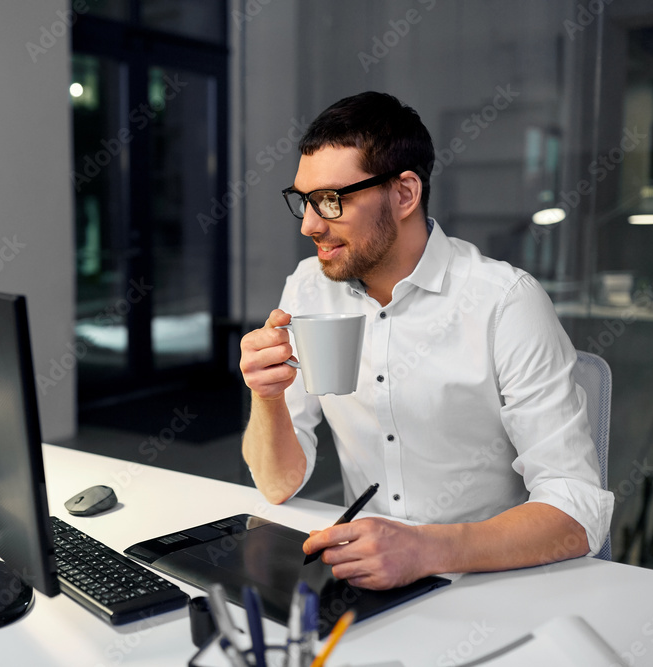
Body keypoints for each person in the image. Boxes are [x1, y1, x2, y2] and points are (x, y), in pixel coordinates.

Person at [239, 92, 614, 591]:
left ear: (404, 194)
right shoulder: (310, 287)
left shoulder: (504, 301)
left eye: (331, 200)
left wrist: (425, 549)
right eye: (304, 201)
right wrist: (266, 399)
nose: (309, 224)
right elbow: (278, 484)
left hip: (490, 582)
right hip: (366, 577)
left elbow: (578, 508)